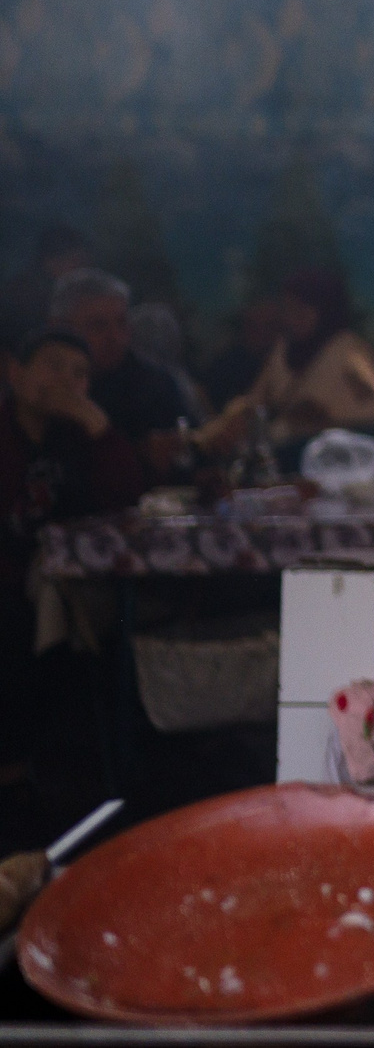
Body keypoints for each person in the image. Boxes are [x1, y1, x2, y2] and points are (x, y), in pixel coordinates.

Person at [2, 329, 149, 788]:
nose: (65, 381)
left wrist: (95, 422)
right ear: (15, 373)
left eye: (80, 374)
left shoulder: (78, 436)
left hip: (61, 583)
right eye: (52, 366)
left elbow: (127, 497)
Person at [203, 270, 374, 452]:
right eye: (289, 309)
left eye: (302, 310)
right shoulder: (283, 351)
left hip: (339, 452)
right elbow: (255, 402)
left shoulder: (348, 351)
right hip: (288, 451)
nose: (293, 318)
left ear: (324, 310)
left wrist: (323, 422)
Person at [49, 268, 189, 473]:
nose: (114, 337)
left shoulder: (153, 382)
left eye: (122, 323)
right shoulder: (43, 386)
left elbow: (189, 449)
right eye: (98, 326)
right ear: (60, 327)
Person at [0, 225, 91, 348]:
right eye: (76, 262)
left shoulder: (57, 291)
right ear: (51, 261)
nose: (82, 271)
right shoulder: (24, 295)